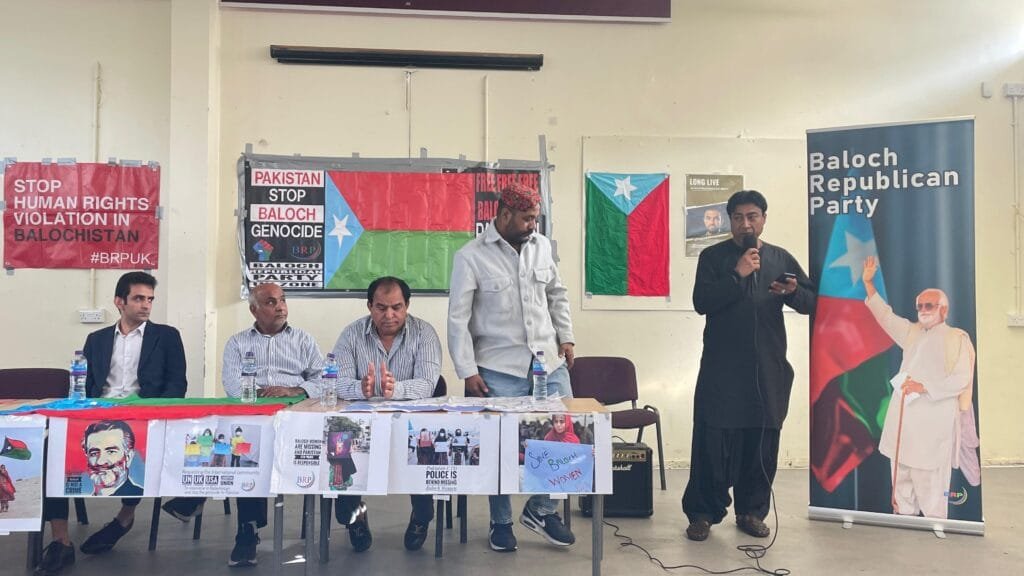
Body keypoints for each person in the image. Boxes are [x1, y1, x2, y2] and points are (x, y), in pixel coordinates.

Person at [448, 182, 577, 552]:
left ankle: (542, 509)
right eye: (526, 218)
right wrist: (467, 371)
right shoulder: (471, 256)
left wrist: (566, 338)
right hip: (498, 369)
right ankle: (500, 522)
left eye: (535, 218)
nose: (532, 225)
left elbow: (557, 294)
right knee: (501, 450)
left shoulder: (542, 248)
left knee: (564, 437)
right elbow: (458, 319)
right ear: (504, 214)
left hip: (549, 365)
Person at [37, 271, 193, 576]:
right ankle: (61, 540)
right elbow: (87, 385)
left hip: (144, 417)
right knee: (52, 451)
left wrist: (150, 413)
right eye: (138, 298)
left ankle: (125, 517)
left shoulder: (167, 336)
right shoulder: (96, 340)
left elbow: (177, 385)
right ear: (119, 302)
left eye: (150, 299)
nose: (146, 305)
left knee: (133, 444)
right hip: (98, 415)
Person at [682, 190, 815, 542]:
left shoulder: (779, 257)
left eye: (752, 216)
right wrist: (737, 274)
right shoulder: (713, 257)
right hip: (721, 369)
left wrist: (792, 293)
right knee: (712, 441)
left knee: (761, 442)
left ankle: (751, 512)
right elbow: (702, 302)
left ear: (764, 219)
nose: (746, 224)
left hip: (767, 368)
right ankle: (702, 514)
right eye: (738, 217)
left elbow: (812, 301)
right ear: (729, 220)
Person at [164, 282, 322, 567]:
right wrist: (262, 394)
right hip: (254, 415)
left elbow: (322, 381)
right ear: (254, 309)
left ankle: (202, 500)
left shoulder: (304, 341)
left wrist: (293, 390)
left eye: (283, 300)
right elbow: (233, 384)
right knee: (240, 439)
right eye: (272, 302)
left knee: (247, 445)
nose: (281, 306)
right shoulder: (237, 342)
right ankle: (246, 529)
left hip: (294, 418)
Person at [330, 276, 442, 552]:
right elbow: (334, 381)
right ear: (369, 306)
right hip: (362, 423)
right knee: (339, 439)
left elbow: (428, 383)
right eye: (381, 307)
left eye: (396, 307)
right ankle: (354, 514)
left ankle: (421, 516)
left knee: (424, 446)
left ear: (407, 306)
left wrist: (395, 389)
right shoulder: (351, 334)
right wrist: (360, 388)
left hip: (411, 423)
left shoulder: (424, 333)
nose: (389, 315)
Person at [862, 256, 975, 519]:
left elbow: (961, 378)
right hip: (904, 421)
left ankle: (936, 527)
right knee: (901, 478)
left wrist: (924, 387)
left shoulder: (956, 337)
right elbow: (885, 316)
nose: (923, 309)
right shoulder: (911, 332)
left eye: (930, 305)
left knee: (930, 484)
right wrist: (868, 283)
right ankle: (905, 521)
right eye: (920, 305)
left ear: (943, 310)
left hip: (933, 423)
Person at [82, 420, 143, 496]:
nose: (100, 461)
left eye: (111, 452)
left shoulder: (142, 496)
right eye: (94, 453)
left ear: (128, 457)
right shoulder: (80, 501)